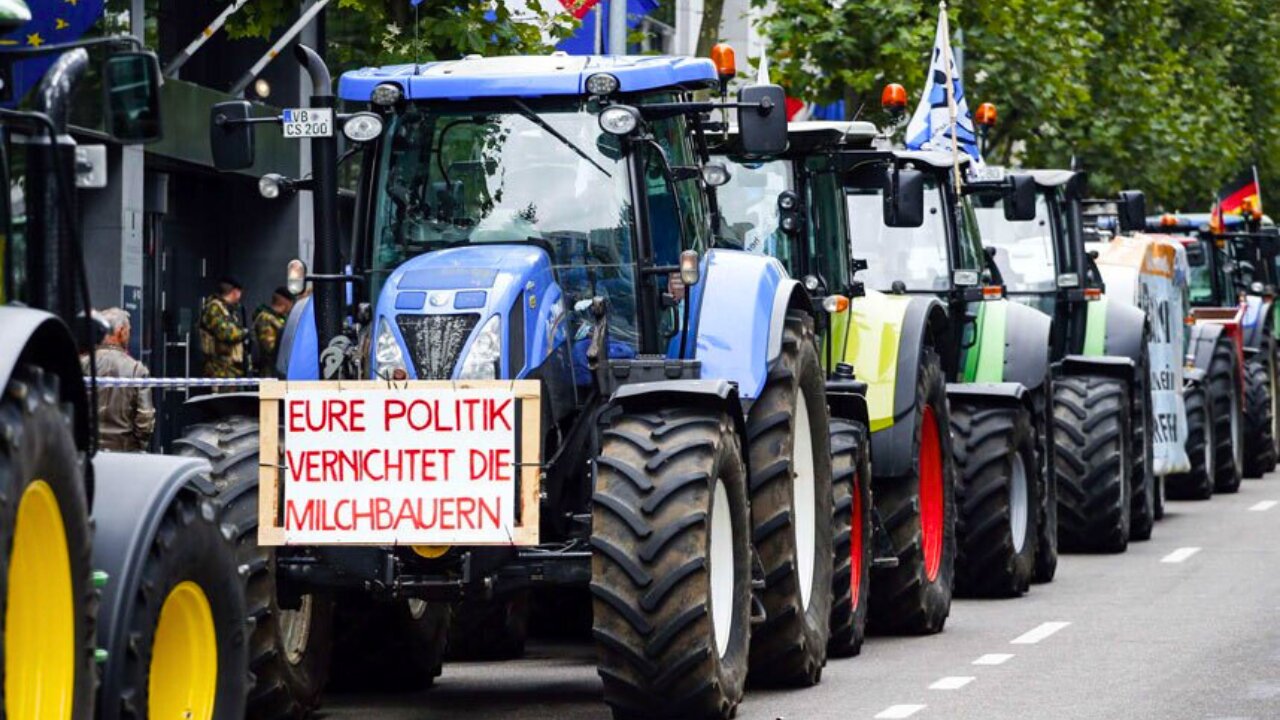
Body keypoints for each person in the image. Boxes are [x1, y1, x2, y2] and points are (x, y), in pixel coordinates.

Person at [82, 308, 155, 452]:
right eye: (128, 331)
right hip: (125, 452)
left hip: (89, 452)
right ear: (121, 332)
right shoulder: (137, 369)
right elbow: (145, 421)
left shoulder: (83, 364)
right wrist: (137, 446)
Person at [199, 276, 248, 378]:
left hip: (230, 368)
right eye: (239, 293)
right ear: (235, 292)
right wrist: (245, 333)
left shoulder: (228, 310)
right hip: (219, 369)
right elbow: (227, 334)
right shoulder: (214, 308)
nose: (239, 297)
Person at [253, 286, 295, 377]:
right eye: (291, 302)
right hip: (270, 373)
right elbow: (270, 349)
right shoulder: (265, 319)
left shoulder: (280, 318)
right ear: (285, 302)